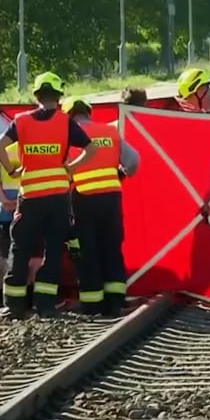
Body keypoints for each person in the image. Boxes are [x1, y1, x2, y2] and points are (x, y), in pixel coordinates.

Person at [0, 71, 97, 318]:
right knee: (53, 250)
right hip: (58, 198)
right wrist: (70, 168)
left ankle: (14, 305)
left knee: (20, 248)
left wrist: (12, 170)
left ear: (36, 96)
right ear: (59, 96)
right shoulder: (65, 122)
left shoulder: (21, 121)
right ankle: (45, 305)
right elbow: (90, 149)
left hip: (30, 197)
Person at [62, 96, 135, 316]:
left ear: (68, 116)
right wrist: (117, 175)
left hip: (82, 199)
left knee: (86, 252)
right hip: (111, 199)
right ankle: (116, 301)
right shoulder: (110, 132)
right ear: (88, 112)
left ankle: (92, 304)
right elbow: (133, 162)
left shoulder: (68, 136)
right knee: (112, 248)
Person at [0, 147, 44, 289]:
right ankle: (33, 291)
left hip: (7, 212)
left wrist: (4, 201)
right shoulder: (34, 148)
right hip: (33, 209)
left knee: (10, 257)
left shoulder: (3, 150)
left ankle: (12, 293)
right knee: (36, 255)